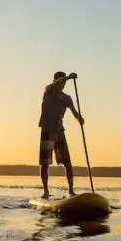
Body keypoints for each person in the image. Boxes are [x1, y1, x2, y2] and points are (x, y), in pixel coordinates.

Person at [38, 71, 84, 199]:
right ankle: (46, 191)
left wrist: (79, 118)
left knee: (68, 163)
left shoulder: (67, 98)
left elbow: (75, 113)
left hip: (59, 131)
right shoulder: (48, 92)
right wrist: (68, 77)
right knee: (45, 163)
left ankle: (71, 191)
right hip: (47, 130)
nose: (63, 83)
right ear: (55, 81)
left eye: (64, 82)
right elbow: (51, 85)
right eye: (61, 81)